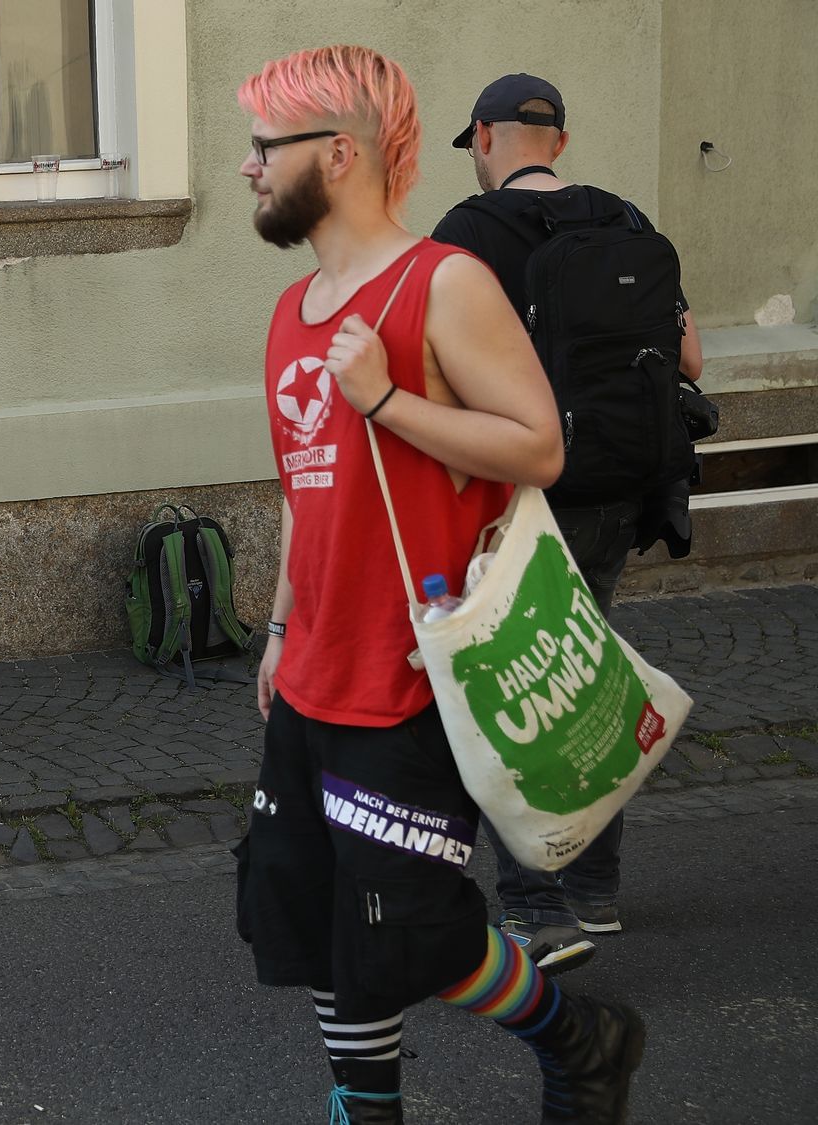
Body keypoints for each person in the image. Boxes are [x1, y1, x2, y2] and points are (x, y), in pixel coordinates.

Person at [235, 47, 643, 1122]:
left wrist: (384, 401)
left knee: (411, 928)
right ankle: (364, 1111)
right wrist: (278, 629)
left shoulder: (441, 282)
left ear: (337, 154)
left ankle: (576, 1035)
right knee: (316, 912)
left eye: (262, 147)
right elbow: (301, 491)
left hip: (415, 674)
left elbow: (537, 446)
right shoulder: (291, 310)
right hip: (315, 666)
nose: (246, 168)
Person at [432, 74, 705, 971]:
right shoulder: (625, 220)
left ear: (483, 137)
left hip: (520, 493)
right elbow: (689, 355)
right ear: (561, 138)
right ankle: (596, 889)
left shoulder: (468, 234)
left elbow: (434, 372)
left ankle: (536, 906)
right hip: (622, 488)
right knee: (588, 676)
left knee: (519, 685)